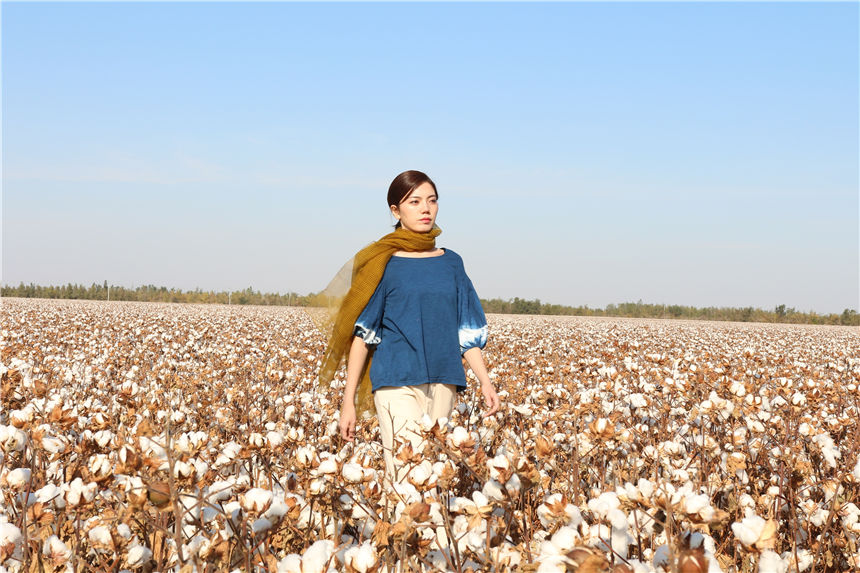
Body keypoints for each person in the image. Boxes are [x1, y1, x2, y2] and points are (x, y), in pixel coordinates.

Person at [319, 170, 501, 483]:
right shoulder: (383, 263)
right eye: (414, 202)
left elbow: (466, 329)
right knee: (408, 473)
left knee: (435, 474)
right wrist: (348, 401)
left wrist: (485, 381)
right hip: (395, 381)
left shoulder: (452, 263)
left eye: (432, 200)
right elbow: (363, 335)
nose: (425, 208)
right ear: (396, 211)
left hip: (444, 381)